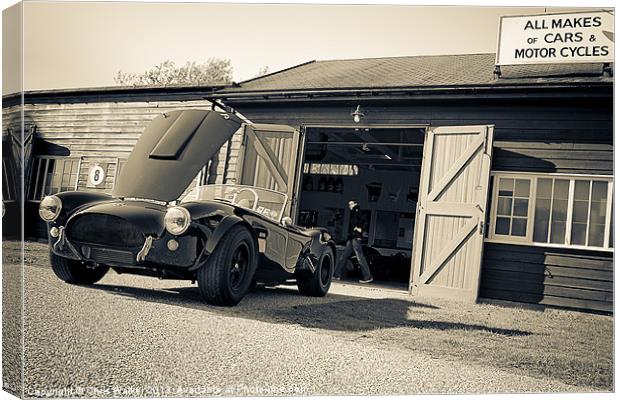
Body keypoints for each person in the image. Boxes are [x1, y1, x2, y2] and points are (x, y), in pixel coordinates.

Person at [333, 200, 373, 283]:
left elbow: (365, 221)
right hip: (352, 238)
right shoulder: (354, 212)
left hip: (356, 238)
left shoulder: (357, 211)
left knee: (359, 257)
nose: (349, 206)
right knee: (344, 256)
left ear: (355, 204)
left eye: (351, 204)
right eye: (349, 204)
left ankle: (368, 276)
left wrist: (360, 229)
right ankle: (336, 275)